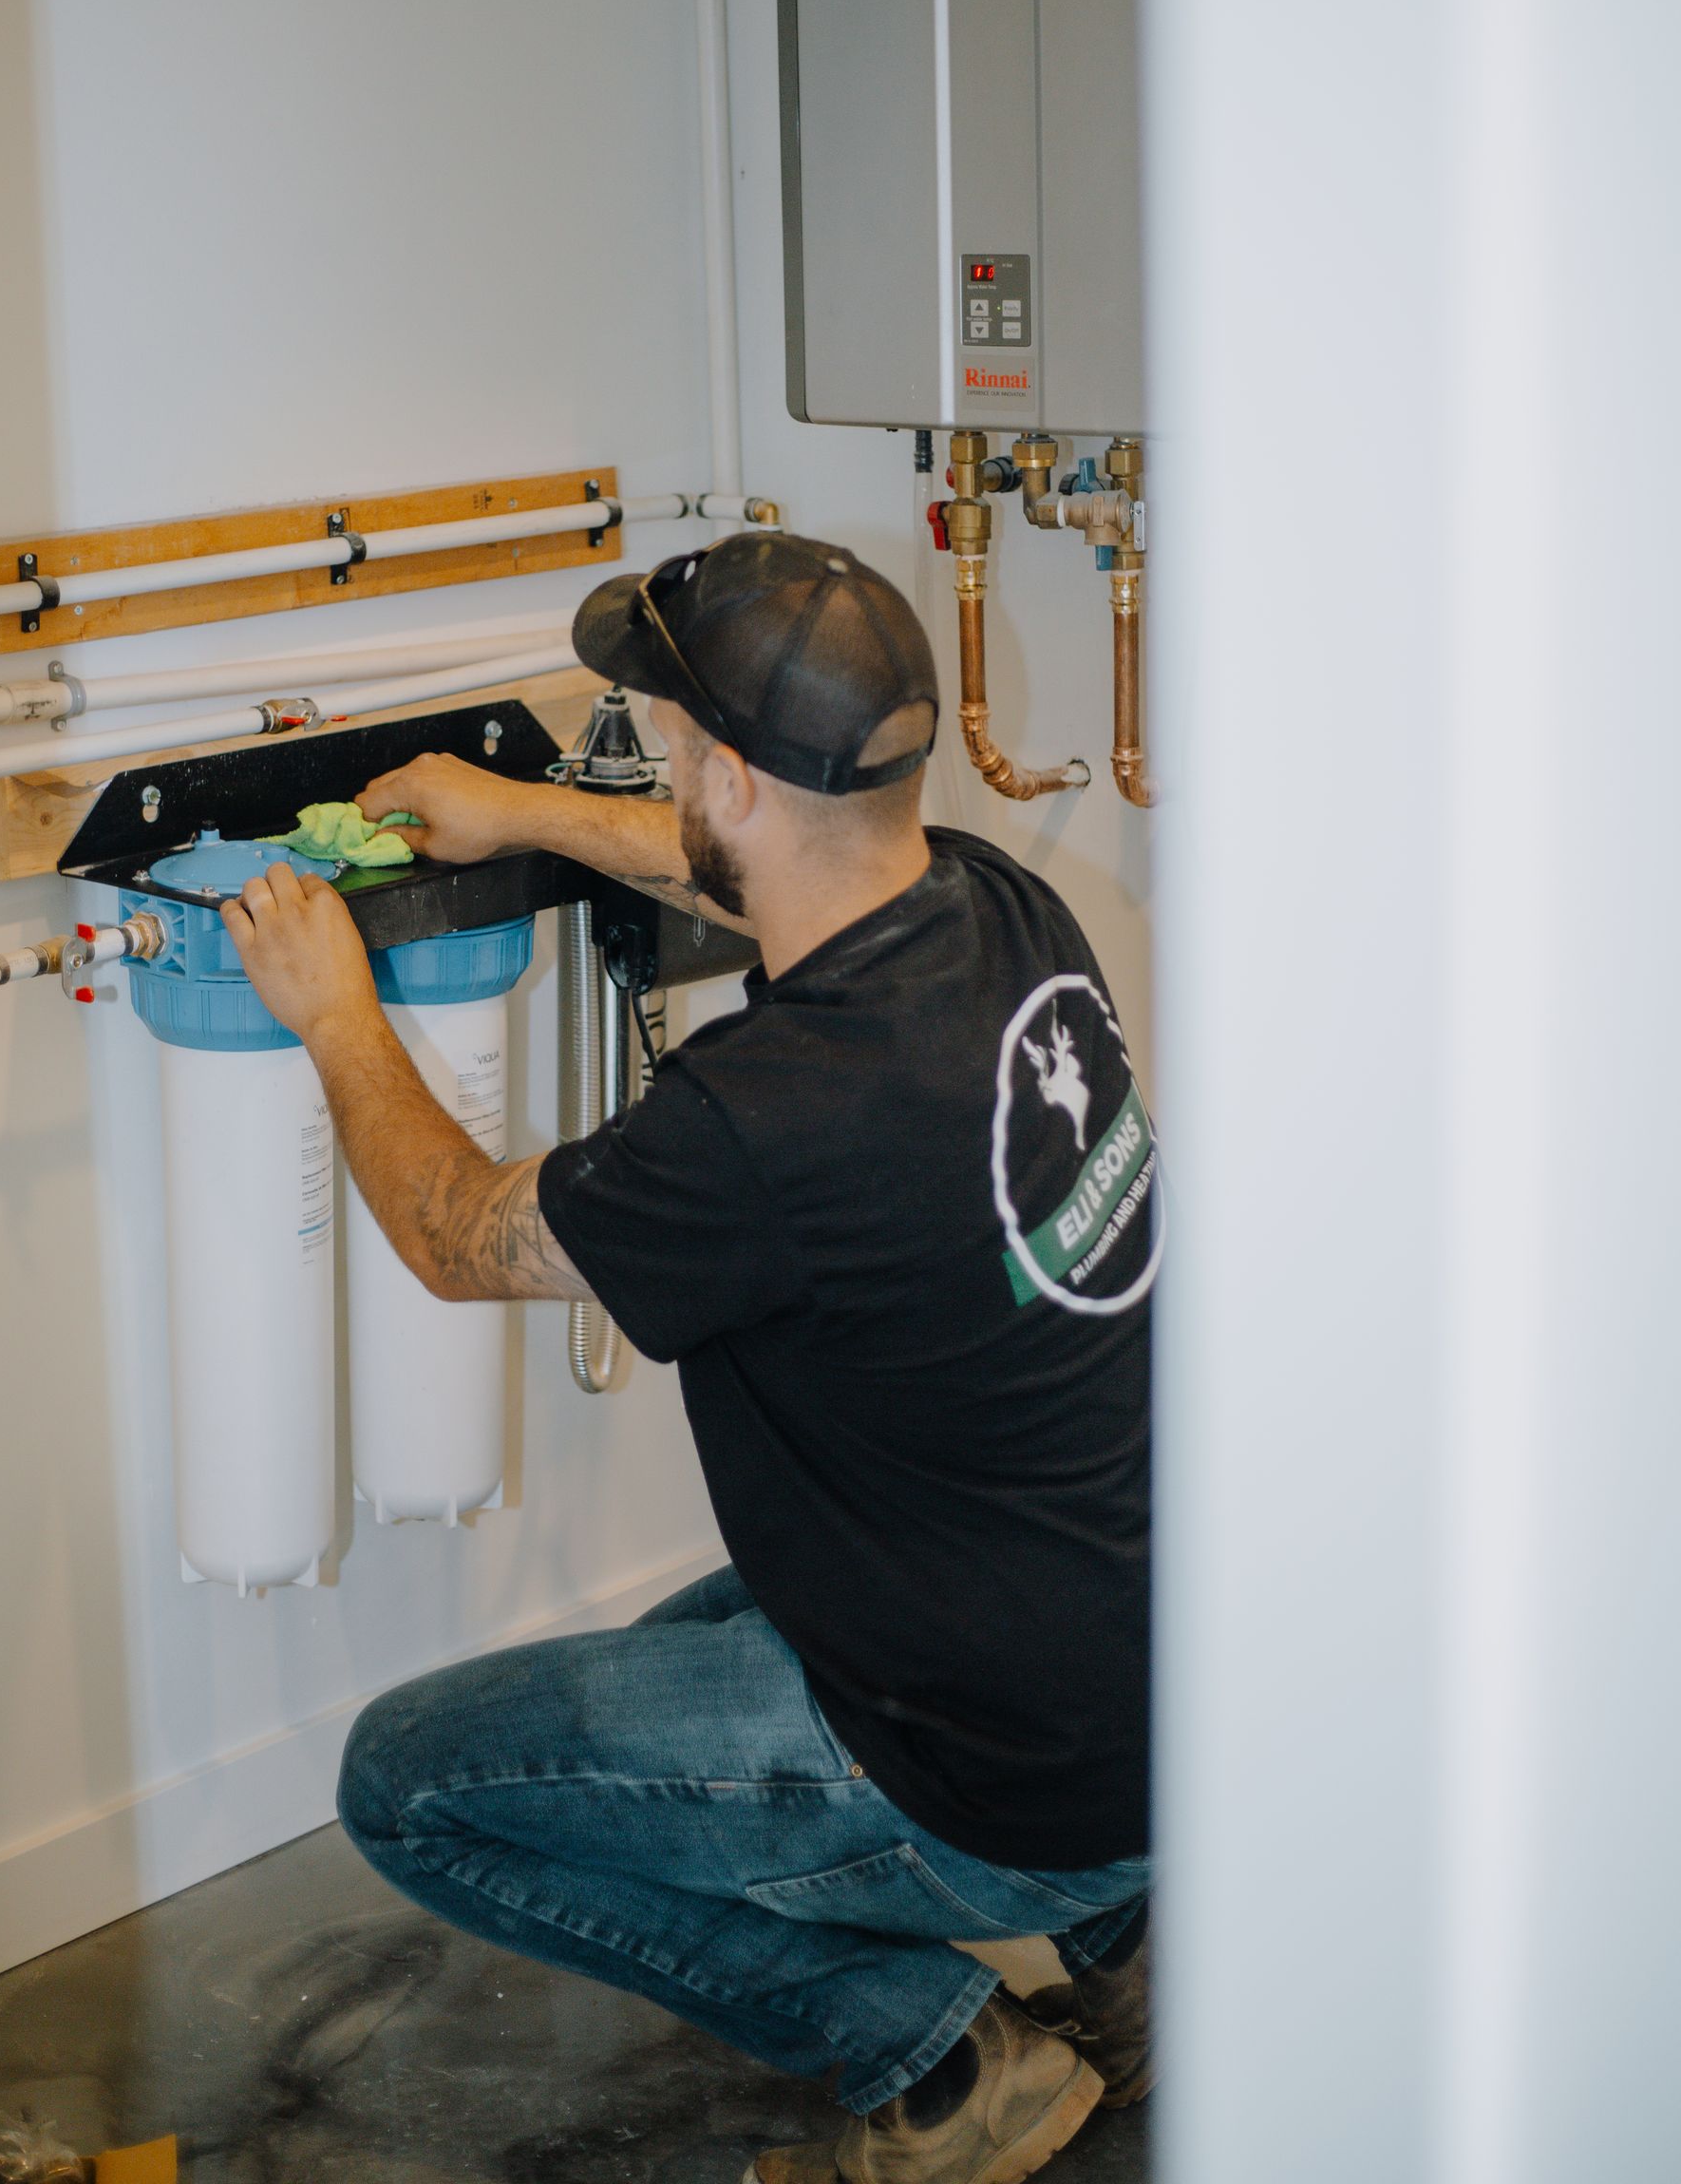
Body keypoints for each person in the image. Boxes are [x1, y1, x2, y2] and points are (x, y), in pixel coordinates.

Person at [221, 531, 1157, 2184]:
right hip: (1144, 1679)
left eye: (657, 741)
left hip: (996, 1766)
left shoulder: (763, 1122)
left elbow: (453, 1233)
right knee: (685, 1643)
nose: (651, 766)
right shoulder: (994, 905)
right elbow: (738, 863)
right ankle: (1145, 1943)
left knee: (415, 1782)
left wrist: (336, 1012)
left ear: (730, 777)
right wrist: (517, 815)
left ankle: (935, 2063)